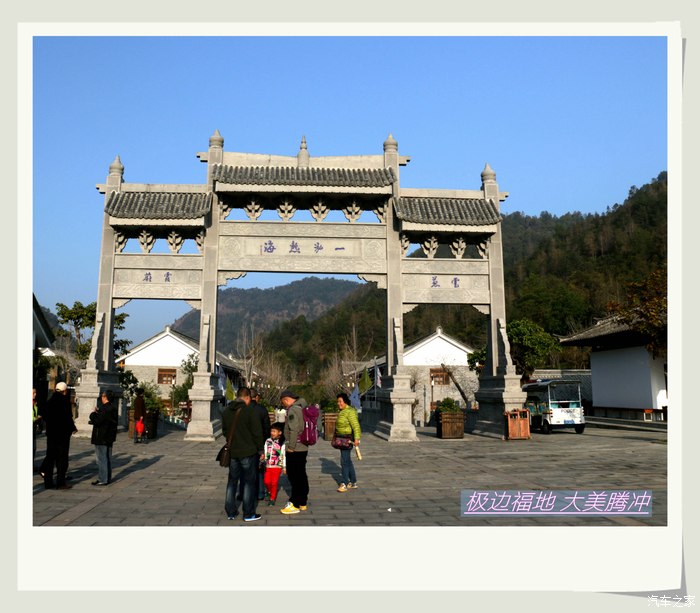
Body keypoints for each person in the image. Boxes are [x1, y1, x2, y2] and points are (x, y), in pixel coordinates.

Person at [221, 386, 264, 522]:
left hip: (233, 451)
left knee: (232, 481)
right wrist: (260, 450)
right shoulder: (250, 411)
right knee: (248, 483)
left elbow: (225, 431)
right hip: (248, 451)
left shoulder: (227, 411)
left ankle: (230, 512)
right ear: (247, 398)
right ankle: (248, 513)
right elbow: (257, 433)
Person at [39, 382, 77, 490]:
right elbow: (68, 417)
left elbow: (44, 415)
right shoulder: (64, 402)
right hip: (62, 435)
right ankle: (60, 482)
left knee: (50, 457)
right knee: (61, 459)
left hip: (51, 434)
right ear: (65, 391)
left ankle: (48, 482)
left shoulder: (50, 401)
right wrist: (73, 428)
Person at [280, 389, 310, 515]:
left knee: (294, 475)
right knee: (301, 474)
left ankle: (295, 503)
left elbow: (294, 430)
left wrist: (291, 447)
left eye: (283, 403)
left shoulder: (293, 410)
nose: (283, 405)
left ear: (286, 399)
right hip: (303, 446)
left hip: (295, 447)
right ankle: (303, 501)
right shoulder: (303, 407)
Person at [239, 387, 271, 502]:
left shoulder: (241, 409)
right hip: (259, 443)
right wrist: (265, 442)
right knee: (259, 469)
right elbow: (267, 428)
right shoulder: (261, 410)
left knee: (244, 469)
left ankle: (242, 493)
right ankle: (260, 493)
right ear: (256, 397)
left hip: (244, 443)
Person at [89, 389, 119, 486]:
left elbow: (98, 421)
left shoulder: (104, 408)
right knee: (107, 458)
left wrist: (93, 414)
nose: (101, 398)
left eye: (102, 396)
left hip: (101, 436)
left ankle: (103, 479)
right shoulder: (113, 408)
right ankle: (107, 477)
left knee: (101, 458)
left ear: (106, 397)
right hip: (109, 436)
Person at [335, 392, 361, 492]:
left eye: (340, 401)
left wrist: (357, 438)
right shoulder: (342, 411)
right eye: (338, 402)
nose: (338, 403)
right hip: (342, 439)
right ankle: (353, 482)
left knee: (344, 461)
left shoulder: (350, 411)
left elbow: (356, 426)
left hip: (347, 439)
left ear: (345, 401)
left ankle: (344, 483)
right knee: (347, 460)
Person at [262, 422, 286, 506]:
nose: (272, 433)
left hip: (277, 466)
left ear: (280, 432)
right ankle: (269, 491)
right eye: (271, 431)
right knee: (266, 481)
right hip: (268, 465)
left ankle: (272, 498)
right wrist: (264, 458)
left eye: (274, 431)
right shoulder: (268, 441)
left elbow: (283, 455)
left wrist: (284, 467)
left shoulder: (282, 443)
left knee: (274, 482)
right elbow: (265, 451)